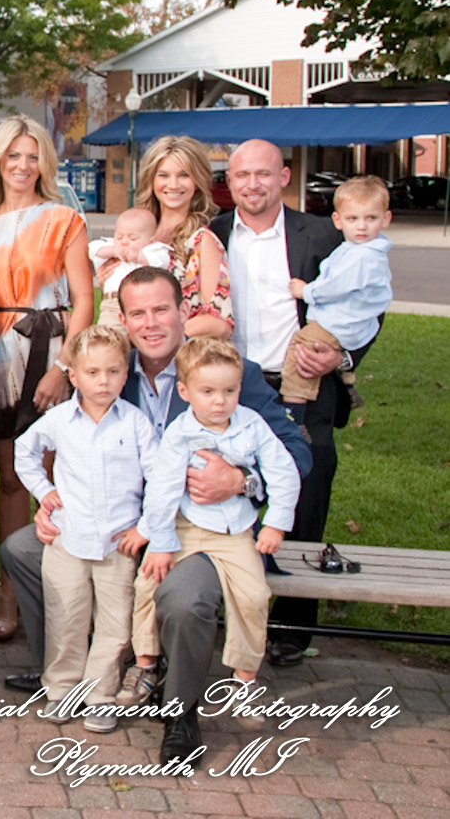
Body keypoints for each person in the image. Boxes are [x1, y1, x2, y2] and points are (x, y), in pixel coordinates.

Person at [0, 267, 311, 762]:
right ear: (123, 320)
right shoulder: (111, 370)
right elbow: (64, 443)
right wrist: (48, 501)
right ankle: (63, 675)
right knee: (20, 549)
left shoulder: (228, 373)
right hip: (113, 518)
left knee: (185, 600)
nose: (151, 323)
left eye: (161, 309)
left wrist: (241, 481)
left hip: (197, 527)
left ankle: (180, 710)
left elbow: (295, 451)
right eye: (138, 313)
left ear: (184, 310)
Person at [212, 139, 369, 668]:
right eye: (240, 176)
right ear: (228, 183)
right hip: (231, 388)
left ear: (283, 176)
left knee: (306, 491)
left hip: (303, 383)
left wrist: (340, 356)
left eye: (262, 174)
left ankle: (292, 630)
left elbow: (366, 303)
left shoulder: (323, 236)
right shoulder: (213, 235)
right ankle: (231, 612)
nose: (251, 184)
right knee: (230, 497)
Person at [0, 114, 93, 642]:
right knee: (13, 477)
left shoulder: (64, 219)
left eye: (32, 154)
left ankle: (67, 594)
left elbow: (86, 300)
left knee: (56, 480)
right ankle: (11, 591)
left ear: (45, 161)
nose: (22, 165)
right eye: (13, 155)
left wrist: (65, 368)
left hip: (51, 351)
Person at [124, 336, 300, 706]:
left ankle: (244, 677)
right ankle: (145, 664)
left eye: (229, 390)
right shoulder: (180, 433)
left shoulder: (251, 425)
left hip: (236, 530)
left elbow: (284, 470)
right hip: (186, 525)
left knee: (254, 595)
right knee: (147, 585)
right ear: (186, 391)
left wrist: (276, 524)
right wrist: (161, 542)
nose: (220, 401)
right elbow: (163, 489)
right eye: (208, 391)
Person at [13, 324, 158, 731]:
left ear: (124, 375)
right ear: (73, 375)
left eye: (113, 372)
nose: (103, 381)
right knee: (66, 616)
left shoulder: (135, 424)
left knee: (114, 625)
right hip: (68, 537)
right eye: (92, 373)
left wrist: (144, 527)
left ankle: (101, 695)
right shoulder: (59, 420)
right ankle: (61, 688)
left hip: (117, 542)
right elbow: (25, 453)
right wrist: (45, 491)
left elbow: (159, 478)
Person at [281, 176, 393, 424]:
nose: (361, 226)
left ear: (386, 219)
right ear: (338, 221)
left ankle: (293, 415)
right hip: (349, 323)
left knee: (300, 353)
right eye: (353, 219)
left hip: (337, 323)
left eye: (371, 218)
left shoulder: (362, 256)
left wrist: (305, 291)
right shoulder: (358, 249)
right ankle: (348, 385)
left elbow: (335, 287)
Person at [123, 135, 232, 339]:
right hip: (132, 360)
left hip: (181, 361)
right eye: (163, 175)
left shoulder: (202, 241)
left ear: (197, 181)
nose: (173, 185)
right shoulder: (139, 234)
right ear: (151, 180)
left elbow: (220, 323)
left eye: (183, 175)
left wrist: (160, 335)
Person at [87, 208, 172, 328]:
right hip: (113, 305)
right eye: (119, 237)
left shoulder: (153, 250)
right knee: (109, 337)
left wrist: (138, 257)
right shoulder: (111, 248)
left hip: (144, 305)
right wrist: (112, 251)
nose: (124, 242)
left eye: (133, 239)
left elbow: (161, 261)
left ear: (151, 240)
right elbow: (92, 249)